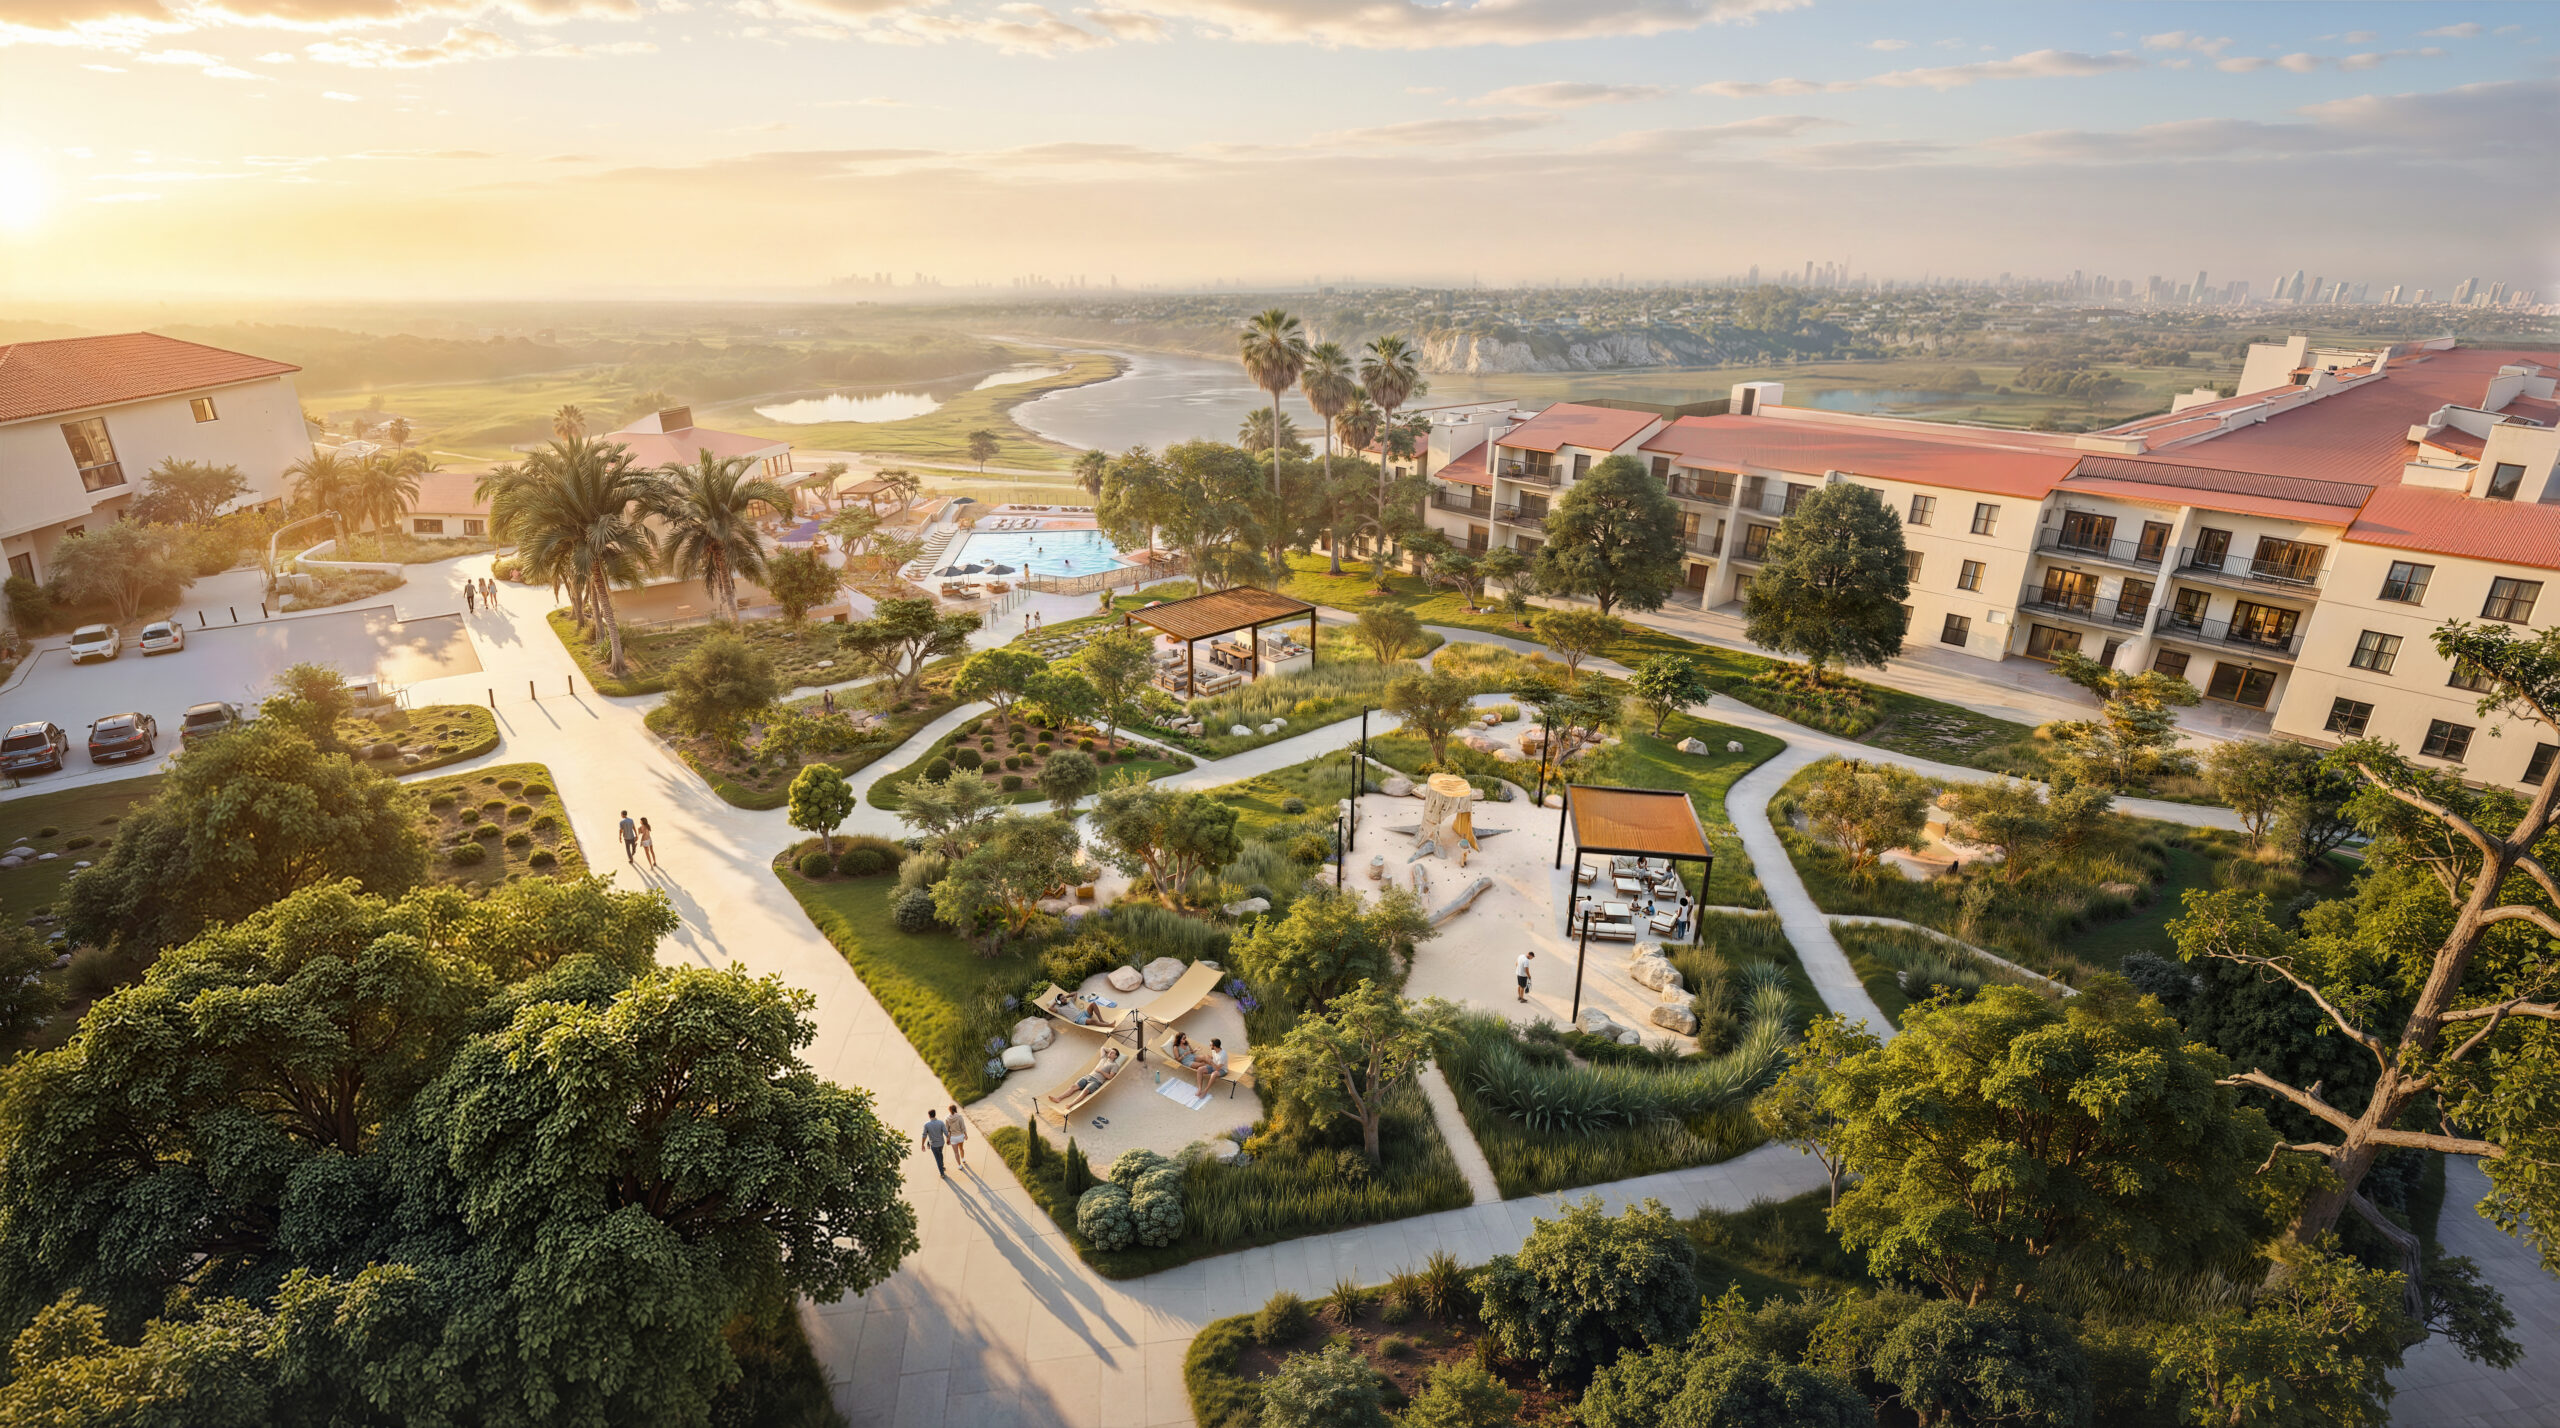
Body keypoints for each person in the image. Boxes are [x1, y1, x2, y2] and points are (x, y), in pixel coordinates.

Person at [1051, 1047, 1123, 1102]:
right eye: (1110, 1052)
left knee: (1085, 1092)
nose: (1110, 1053)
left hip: (1097, 1081)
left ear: (1116, 1056)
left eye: (1112, 1053)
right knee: (1073, 1086)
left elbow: (1110, 1077)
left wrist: (1101, 1071)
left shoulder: (1114, 1065)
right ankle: (1058, 1099)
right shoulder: (1103, 1058)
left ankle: (1071, 1104)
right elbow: (1103, 1048)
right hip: (1088, 1076)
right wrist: (1110, 1050)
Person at [919, 1108, 948, 1178]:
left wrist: (922, 1144)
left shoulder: (927, 1125)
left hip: (934, 1145)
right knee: (940, 1154)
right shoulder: (941, 1122)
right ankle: (942, 1165)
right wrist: (948, 1139)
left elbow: (924, 1135)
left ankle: (942, 1173)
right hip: (941, 1143)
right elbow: (946, 1132)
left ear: (929, 1115)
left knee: (937, 1158)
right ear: (935, 1114)